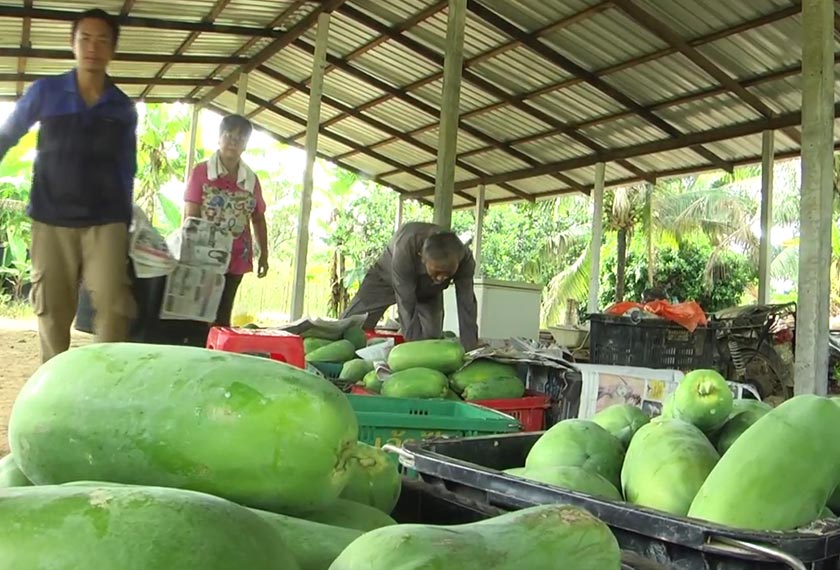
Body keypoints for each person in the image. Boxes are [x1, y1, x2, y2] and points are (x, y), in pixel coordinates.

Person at [0, 9, 137, 362]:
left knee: (114, 306)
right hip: (51, 218)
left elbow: (127, 167)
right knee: (52, 311)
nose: (93, 47)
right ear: (72, 44)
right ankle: (54, 388)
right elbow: (9, 133)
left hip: (106, 222)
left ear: (113, 49)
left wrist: (125, 222)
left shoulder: (122, 107)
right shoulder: (46, 92)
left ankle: (105, 385)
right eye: (85, 39)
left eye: (102, 40)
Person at [183, 114, 268, 327]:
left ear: (246, 145)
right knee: (200, 312)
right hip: (204, 255)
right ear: (219, 138)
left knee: (223, 312)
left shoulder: (250, 179)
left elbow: (258, 218)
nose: (233, 142)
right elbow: (190, 215)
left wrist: (264, 254)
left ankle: (217, 353)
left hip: (237, 256)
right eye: (229, 136)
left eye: (240, 139)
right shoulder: (202, 172)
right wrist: (188, 250)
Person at [343, 221, 479, 350]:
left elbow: (466, 304)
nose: (441, 278)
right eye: (437, 272)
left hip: (428, 291)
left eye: (447, 273)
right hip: (385, 278)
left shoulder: (465, 260)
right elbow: (406, 303)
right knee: (349, 328)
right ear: (421, 257)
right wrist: (413, 349)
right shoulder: (407, 243)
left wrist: (470, 348)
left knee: (430, 339)